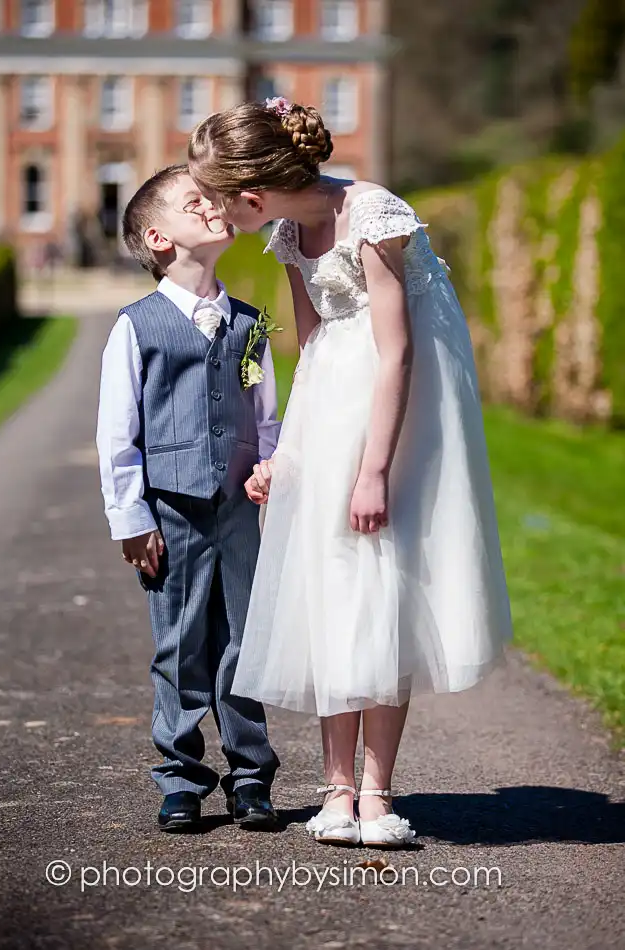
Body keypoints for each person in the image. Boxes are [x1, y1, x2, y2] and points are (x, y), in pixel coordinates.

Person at [188, 99, 513, 850]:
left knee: (384, 581)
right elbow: (310, 349)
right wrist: (287, 455)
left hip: (400, 414)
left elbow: (394, 350)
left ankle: (376, 791)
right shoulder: (286, 232)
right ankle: (335, 789)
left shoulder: (371, 212)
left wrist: (374, 472)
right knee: (332, 585)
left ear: (253, 191)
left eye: (215, 195)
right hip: (332, 405)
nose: (210, 209)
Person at [96, 164, 281, 833]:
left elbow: (264, 412)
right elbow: (117, 432)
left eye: (212, 199)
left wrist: (268, 467)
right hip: (169, 511)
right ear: (158, 236)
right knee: (180, 646)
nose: (211, 207)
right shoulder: (136, 327)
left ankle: (251, 776)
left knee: (243, 641)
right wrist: (130, 517)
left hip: (237, 507)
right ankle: (180, 778)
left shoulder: (251, 326)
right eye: (192, 201)